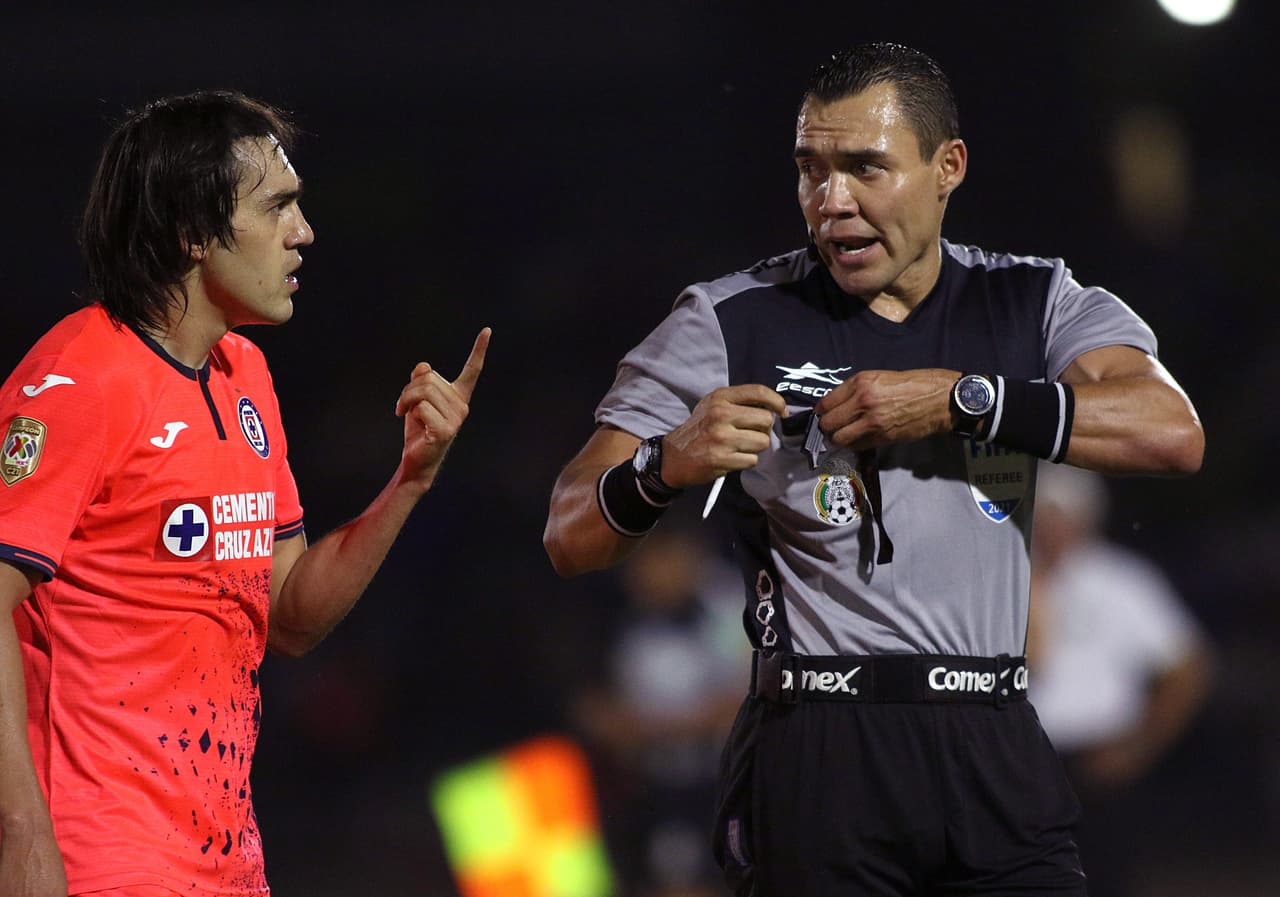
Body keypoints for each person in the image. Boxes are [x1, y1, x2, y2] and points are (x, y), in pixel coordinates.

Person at [543, 42, 1203, 897]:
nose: (832, 201)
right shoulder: (730, 320)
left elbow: (1172, 432)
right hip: (818, 744)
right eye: (810, 170)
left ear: (947, 167)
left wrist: (963, 400)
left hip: (993, 738)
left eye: (865, 167)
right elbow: (568, 532)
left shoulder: (1033, 301)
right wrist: (666, 464)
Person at [0, 90, 488, 897]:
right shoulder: (79, 376)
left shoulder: (245, 376)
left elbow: (289, 614)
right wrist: (21, 840)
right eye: (278, 207)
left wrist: (411, 480)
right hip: (96, 860)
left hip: (225, 864)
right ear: (191, 231)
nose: (304, 232)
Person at [1029, 463, 1213, 897]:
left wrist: (1138, 747)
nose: (1055, 525)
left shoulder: (1122, 581)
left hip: (1098, 764)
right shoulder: (1013, 578)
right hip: (1027, 762)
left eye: (1065, 514)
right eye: (1046, 514)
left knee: (1107, 880)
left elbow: (1187, 669)